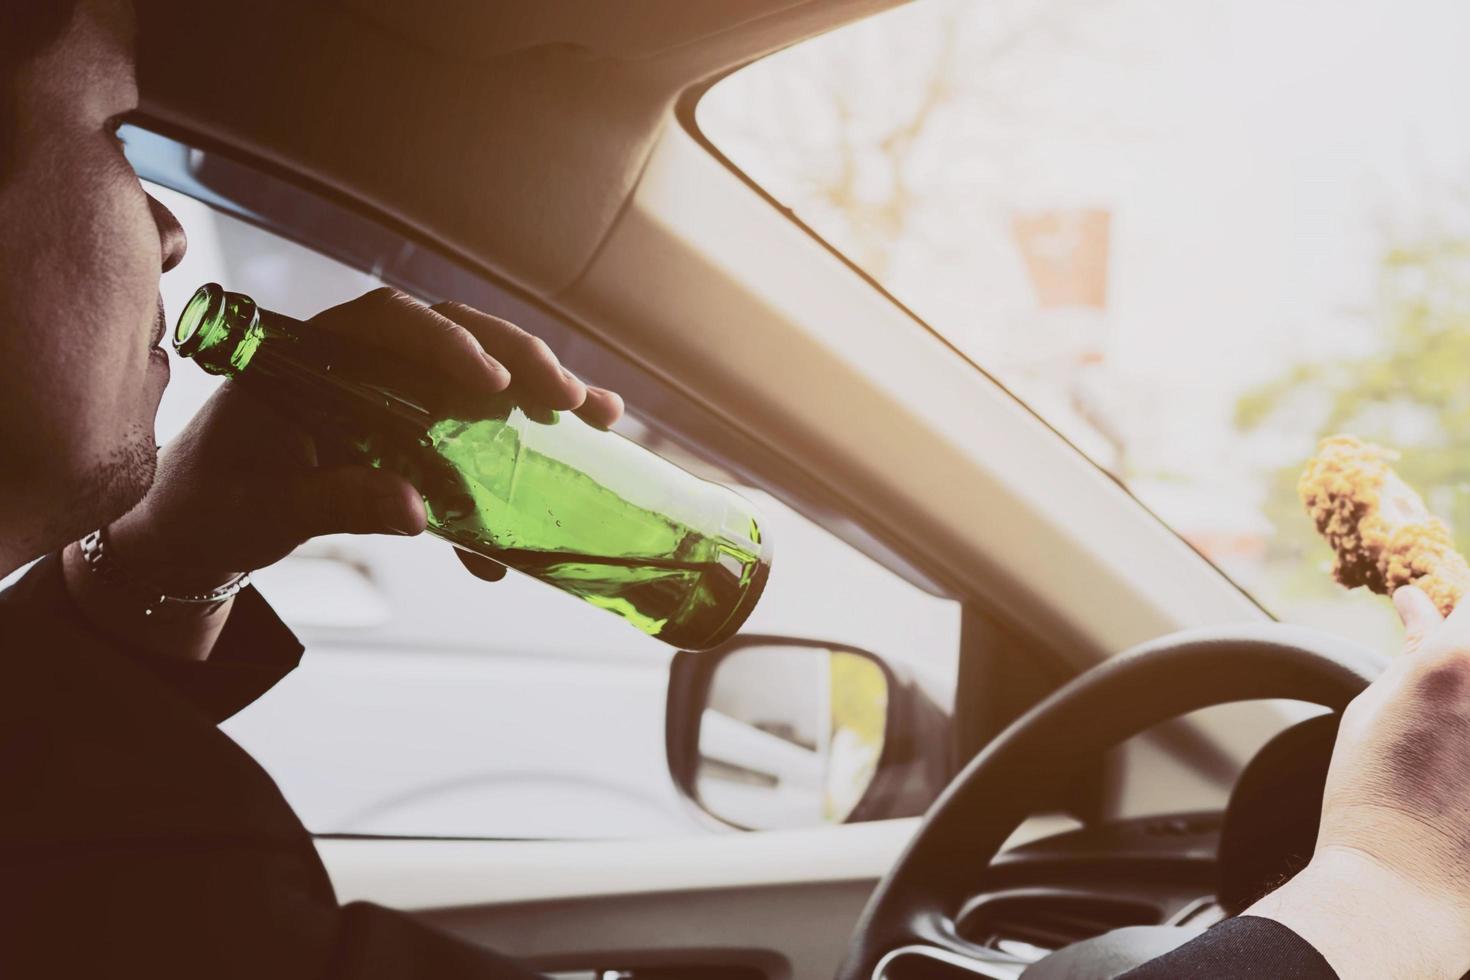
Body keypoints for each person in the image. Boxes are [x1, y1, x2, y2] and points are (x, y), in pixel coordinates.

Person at [6, 4, 1470, 980]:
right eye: (108, 139)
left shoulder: (75, 860)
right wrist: (1388, 884)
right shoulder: (121, 893)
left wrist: (159, 565)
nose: (167, 230)